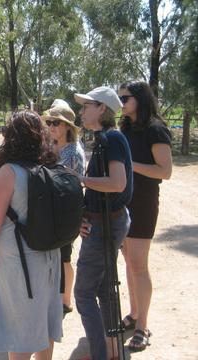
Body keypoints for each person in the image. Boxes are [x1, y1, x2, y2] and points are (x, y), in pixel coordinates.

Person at [0, 110, 62, 360]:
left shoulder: (10, 171)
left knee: (20, 324)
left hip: (17, 258)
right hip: (49, 254)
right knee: (44, 316)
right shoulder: (51, 166)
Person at [73, 86, 133, 360]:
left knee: (84, 293)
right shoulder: (104, 139)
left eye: (87, 106)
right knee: (104, 290)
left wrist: (80, 180)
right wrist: (85, 214)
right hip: (103, 221)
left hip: (107, 224)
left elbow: (117, 184)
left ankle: (101, 353)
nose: (82, 111)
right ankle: (111, 351)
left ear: (103, 110)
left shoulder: (111, 140)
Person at [118, 81, 172, 352]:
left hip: (143, 204)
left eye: (125, 97)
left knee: (139, 264)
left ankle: (143, 327)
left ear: (139, 98)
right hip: (124, 203)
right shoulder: (125, 128)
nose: (121, 102)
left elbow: (165, 171)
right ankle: (135, 312)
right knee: (129, 261)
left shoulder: (155, 129)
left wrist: (131, 166)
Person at [43, 100, 85, 316]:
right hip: (52, 208)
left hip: (66, 210)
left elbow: (73, 184)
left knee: (65, 255)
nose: (51, 127)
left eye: (56, 123)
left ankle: (66, 300)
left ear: (68, 126)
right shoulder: (52, 145)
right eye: (50, 122)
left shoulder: (73, 151)